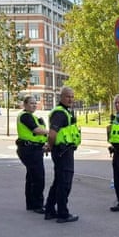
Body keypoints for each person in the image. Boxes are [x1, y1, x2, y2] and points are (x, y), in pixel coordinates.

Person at [44, 87, 81, 223]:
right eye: (67, 96)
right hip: (62, 151)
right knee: (64, 183)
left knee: (58, 182)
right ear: (61, 97)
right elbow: (52, 134)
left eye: (72, 96)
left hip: (64, 150)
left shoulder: (66, 111)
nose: (70, 99)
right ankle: (63, 214)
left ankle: (49, 210)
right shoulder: (59, 113)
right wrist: (50, 146)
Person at [15, 96, 49, 214]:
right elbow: (36, 130)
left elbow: (38, 135)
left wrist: (43, 144)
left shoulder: (33, 117)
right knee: (38, 177)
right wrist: (52, 132)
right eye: (31, 103)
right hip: (29, 149)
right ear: (24, 105)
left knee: (31, 177)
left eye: (35, 103)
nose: (34, 105)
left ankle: (31, 204)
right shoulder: (25, 116)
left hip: (33, 148)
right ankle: (38, 205)